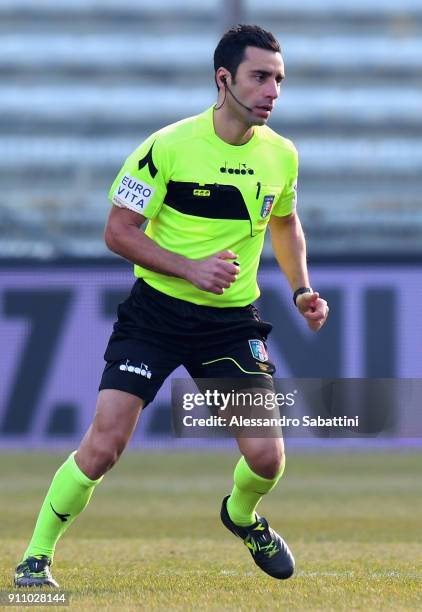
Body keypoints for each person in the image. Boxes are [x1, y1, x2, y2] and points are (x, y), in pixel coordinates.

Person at [14, 24, 329, 587]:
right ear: (223, 79)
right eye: (260, 77)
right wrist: (190, 268)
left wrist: (301, 287)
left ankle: (241, 516)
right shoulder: (168, 147)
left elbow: (285, 222)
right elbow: (118, 231)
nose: (272, 91)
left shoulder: (281, 156)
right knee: (106, 443)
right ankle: (36, 557)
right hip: (157, 314)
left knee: (267, 461)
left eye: (279, 79)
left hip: (229, 323)